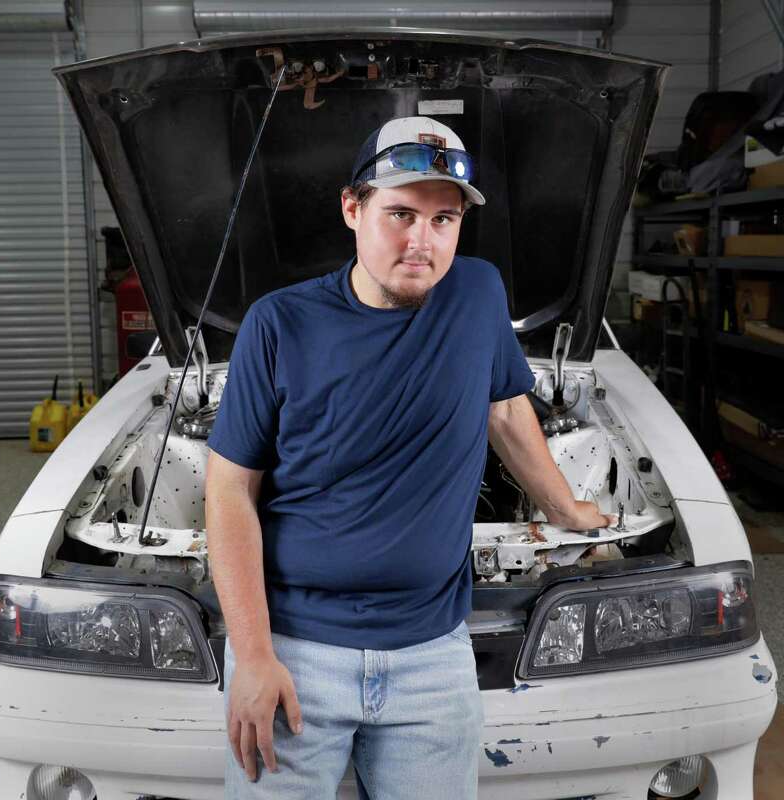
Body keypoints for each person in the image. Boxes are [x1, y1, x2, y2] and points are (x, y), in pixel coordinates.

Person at [204, 116, 613, 799]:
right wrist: (253, 658)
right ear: (351, 207)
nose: (422, 242)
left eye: (444, 220)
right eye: (400, 213)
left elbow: (506, 411)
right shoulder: (280, 324)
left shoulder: (477, 294)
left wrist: (565, 506)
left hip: (433, 658)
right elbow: (227, 492)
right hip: (298, 651)